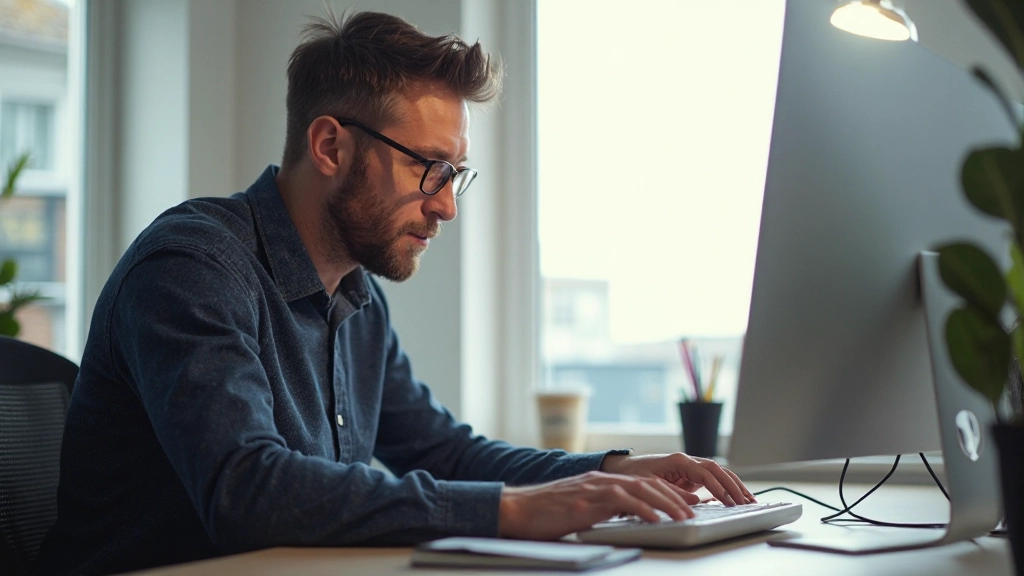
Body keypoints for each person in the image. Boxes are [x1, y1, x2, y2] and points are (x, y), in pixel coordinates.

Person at [39, 10, 756, 576]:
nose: (446, 206)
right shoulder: (191, 268)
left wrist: (608, 473)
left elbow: (444, 451)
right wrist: (512, 511)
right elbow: (247, 493)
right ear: (330, 147)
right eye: (430, 169)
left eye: (456, 175)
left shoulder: (354, 295)